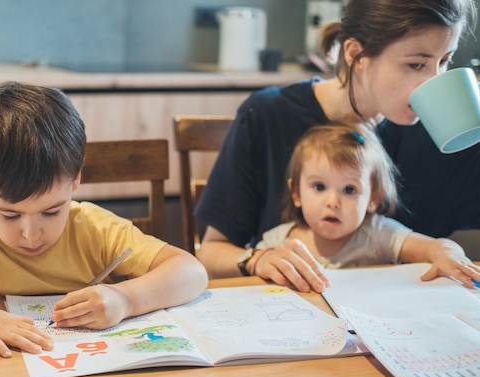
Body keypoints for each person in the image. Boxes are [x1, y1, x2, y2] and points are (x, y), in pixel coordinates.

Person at [0, 81, 208, 358]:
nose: (30, 233)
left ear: (75, 180)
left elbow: (190, 271)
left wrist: (126, 299)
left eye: (52, 211)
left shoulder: (94, 228)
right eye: (10, 214)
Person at [195, 0, 480, 286]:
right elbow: (211, 253)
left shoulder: (448, 131)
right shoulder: (268, 114)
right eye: (416, 64)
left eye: (444, 61)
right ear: (356, 54)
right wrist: (259, 259)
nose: (434, 81)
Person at [248, 122, 480, 293]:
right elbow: (250, 284)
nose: (332, 202)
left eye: (349, 190)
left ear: (373, 198)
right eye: (319, 186)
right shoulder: (279, 241)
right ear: (296, 193)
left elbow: (434, 247)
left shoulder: (380, 234)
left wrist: (448, 254)